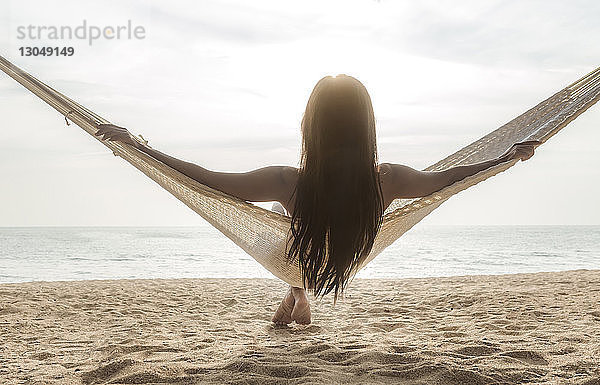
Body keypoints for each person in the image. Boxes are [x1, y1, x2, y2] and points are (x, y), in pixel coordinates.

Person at [94, 74, 538, 326]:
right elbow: (452, 177)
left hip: (298, 255)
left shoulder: (288, 181)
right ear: (367, 125)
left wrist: (137, 145)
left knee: (276, 219)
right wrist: (503, 159)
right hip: (346, 254)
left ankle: (297, 288)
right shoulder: (389, 180)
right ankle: (299, 292)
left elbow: (204, 179)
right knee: (292, 227)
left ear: (312, 125)